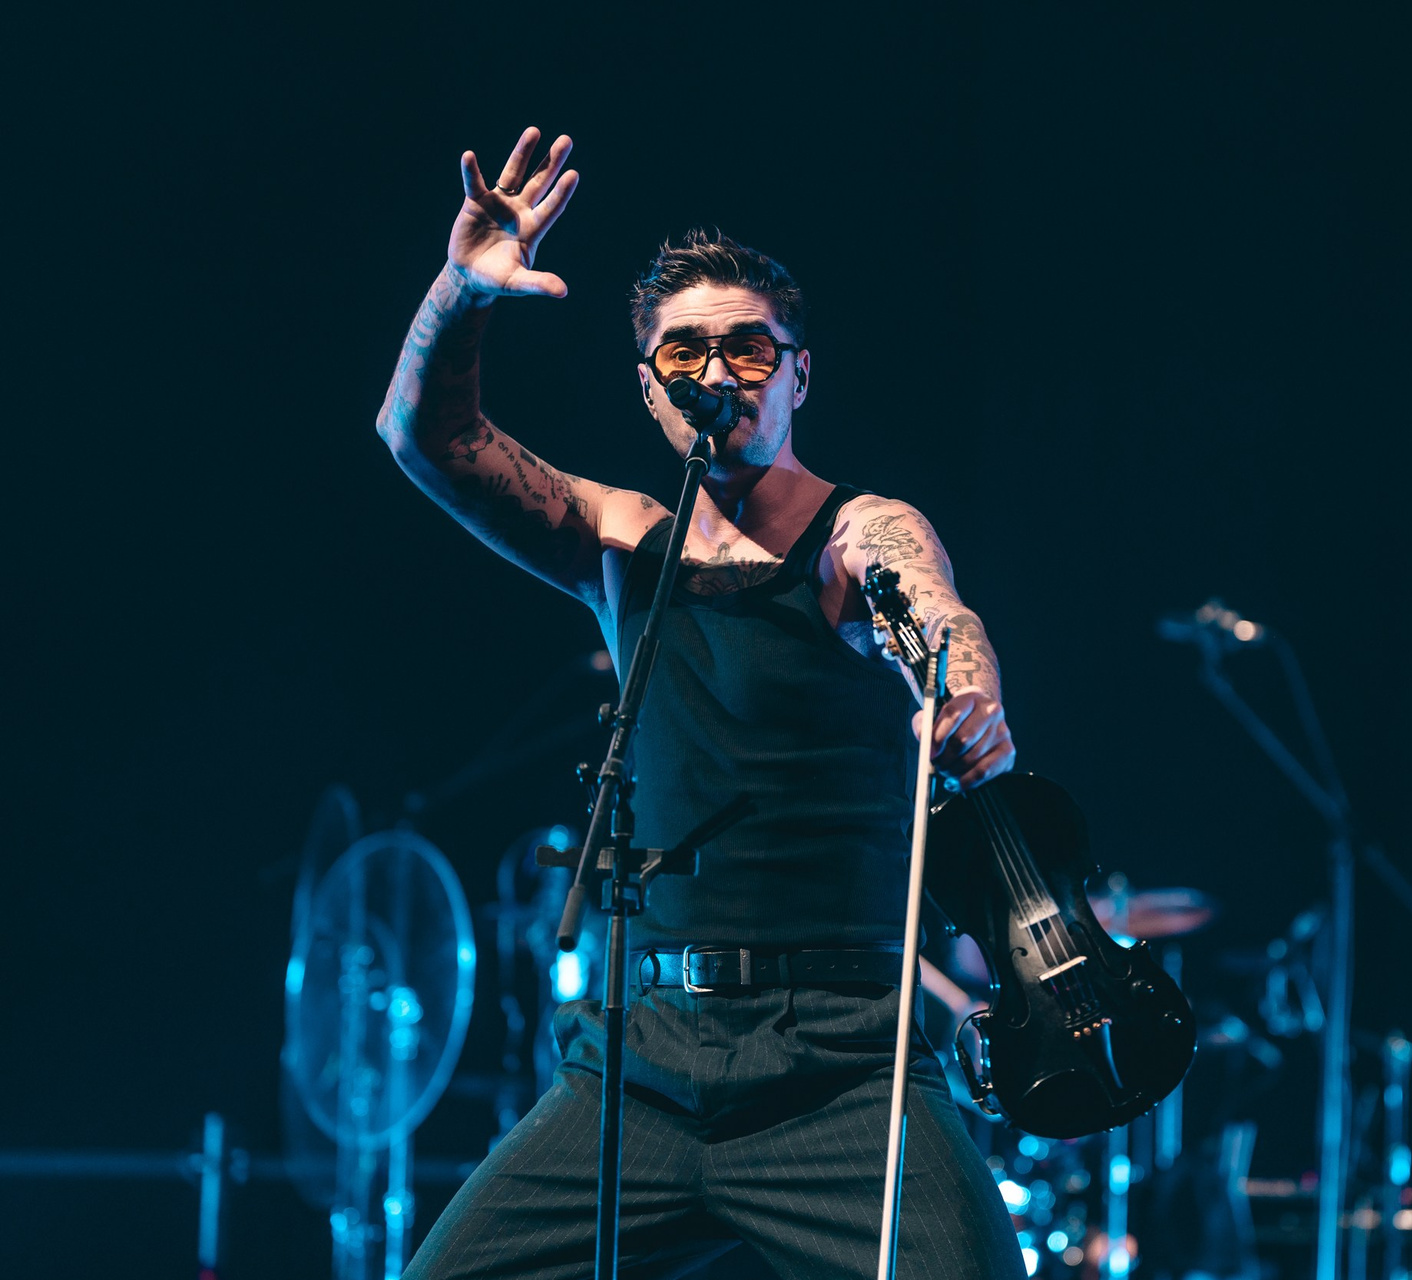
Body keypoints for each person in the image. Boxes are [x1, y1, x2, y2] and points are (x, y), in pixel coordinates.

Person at [376, 125, 1025, 1280]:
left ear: (799, 375)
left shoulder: (858, 529)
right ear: (650, 388)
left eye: (749, 349)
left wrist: (961, 695)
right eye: (686, 352)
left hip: (842, 1065)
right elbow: (426, 436)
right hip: (638, 1063)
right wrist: (461, 289)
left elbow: (932, 609)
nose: (718, 374)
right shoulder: (622, 538)